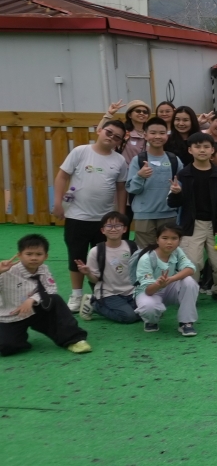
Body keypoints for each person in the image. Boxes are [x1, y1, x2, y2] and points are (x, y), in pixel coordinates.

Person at [53, 119, 128, 315]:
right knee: (76, 256)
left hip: (104, 220)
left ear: (120, 141)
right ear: (100, 130)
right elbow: (62, 176)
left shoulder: (119, 160)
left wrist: (120, 215)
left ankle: (100, 294)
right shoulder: (80, 151)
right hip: (77, 216)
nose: (111, 138)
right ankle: (76, 294)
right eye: (109, 132)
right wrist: (58, 202)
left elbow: (121, 188)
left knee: (102, 258)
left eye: (117, 137)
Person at [168, 132, 217, 304]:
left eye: (206, 147)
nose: (202, 150)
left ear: (212, 150)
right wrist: (176, 193)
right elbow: (172, 203)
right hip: (191, 225)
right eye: (197, 147)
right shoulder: (183, 174)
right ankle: (190, 292)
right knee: (192, 262)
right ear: (190, 150)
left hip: (215, 225)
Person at [0, 233, 91, 356]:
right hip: (11, 316)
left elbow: (51, 288)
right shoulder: (7, 271)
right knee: (7, 347)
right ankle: (19, 340)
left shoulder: (43, 268)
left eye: (38, 254)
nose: (34, 258)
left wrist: (32, 299)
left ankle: (74, 339)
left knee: (55, 299)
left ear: (46, 256)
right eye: (29, 254)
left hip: (36, 310)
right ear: (19, 255)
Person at [132, 222, 200, 336]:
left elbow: (190, 269)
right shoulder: (147, 258)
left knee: (189, 282)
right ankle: (151, 321)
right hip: (150, 291)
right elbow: (148, 291)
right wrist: (159, 284)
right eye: (165, 238)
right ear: (157, 240)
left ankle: (186, 322)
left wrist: (171, 279)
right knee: (149, 308)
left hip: (169, 286)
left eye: (174, 238)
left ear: (179, 240)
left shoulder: (177, 251)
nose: (169, 242)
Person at [126, 117, 181, 249]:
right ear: (145, 135)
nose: (157, 136)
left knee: (168, 251)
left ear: (167, 135)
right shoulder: (138, 160)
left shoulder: (174, 159)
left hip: (169, 214)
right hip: (144, 216)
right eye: (153, 133)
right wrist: (140, 176)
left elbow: (182, 185)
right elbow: (132, 189)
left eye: (162, 133)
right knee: (146, 253)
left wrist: (179, 189)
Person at [77, 211, 139, 323]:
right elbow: (95, 280)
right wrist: (88, 273)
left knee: (149, 311)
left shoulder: (132, 247)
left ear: (124, 229)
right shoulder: (96, 251)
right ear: (103, 230)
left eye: (118, 225)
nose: (113, 229)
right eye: (109, 226)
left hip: (132, 291)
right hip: (108, 293)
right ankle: (94, 303)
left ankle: (126, 307)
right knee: (129, 317)